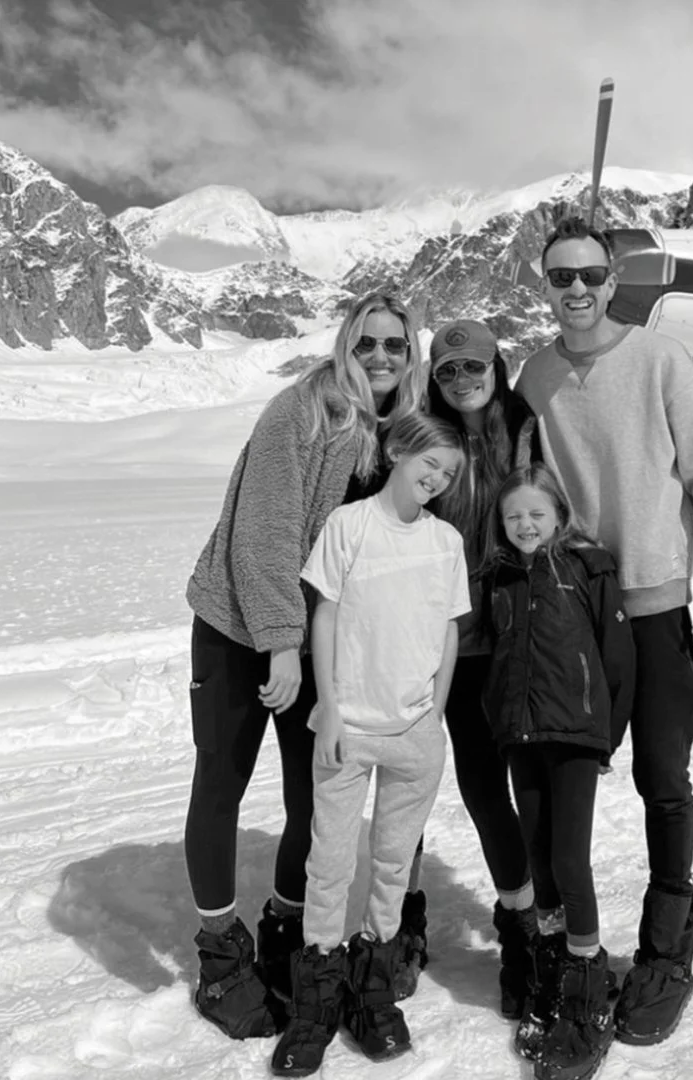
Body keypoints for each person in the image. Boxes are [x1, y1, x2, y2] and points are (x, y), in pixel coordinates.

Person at [514, 216, 693, 1047]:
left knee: (662, 773)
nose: (576, 290)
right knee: (570, 781)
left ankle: (668, 939)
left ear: (614, 281)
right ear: (546, 285)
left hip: (655, 605)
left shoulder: (658, 358)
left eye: (589, 276)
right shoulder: (536, 377)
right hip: (581, 611)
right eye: (560, 277)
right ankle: (566, 945)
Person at [182, 292, 424, 1040]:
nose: (380, 357)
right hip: (236, 626)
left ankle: (285, 929)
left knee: (311, 798)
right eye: (367, 344)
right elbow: (263, 534)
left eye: (394, 346)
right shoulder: (301, 410)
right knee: (222, 778)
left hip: (311, 636)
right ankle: (222, 959)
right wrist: (281, 643)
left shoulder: (391, 432)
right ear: (345, 345)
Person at [270, 413, 470, 1077]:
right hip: (347, 728)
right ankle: (317, 1000)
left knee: (391, 866)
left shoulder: (445, 541)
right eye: (429, 464)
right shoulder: (350, 525)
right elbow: (323, 615)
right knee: (329, 864)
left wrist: (434, 712)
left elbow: (446, 628)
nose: (436, 479)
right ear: (396, 451)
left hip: (414, 735)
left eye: (447, 474)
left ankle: (372, 987)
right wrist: (326, 708)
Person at [478, 463, 635, 1080]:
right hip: (523, 738)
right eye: (513, 516)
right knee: (539, 857)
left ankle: (587, 983)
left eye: (536, 515)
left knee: (570, 860)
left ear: (559, 517)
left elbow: (616, 659)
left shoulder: (587, 569)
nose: (524, 525)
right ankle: (551, 962)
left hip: (574, 737)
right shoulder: (501, 577)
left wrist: (606, 735)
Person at [426, 318, 540, 1019]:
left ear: (496, 367)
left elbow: (546, 511)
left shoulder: (525, 427)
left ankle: (532, 928)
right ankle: (507, 916)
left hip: (516, 632)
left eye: (474, 366)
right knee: (472, 783)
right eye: (448, 370)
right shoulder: (422, 438)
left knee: (527, 783)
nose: (463, 379)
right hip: (447, 639)